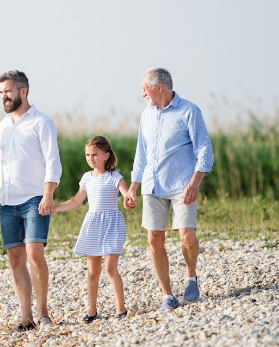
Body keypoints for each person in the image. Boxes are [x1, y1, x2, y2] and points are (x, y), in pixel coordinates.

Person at [125, 68, 214, 311]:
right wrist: (133, 187)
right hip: (152, 186)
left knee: (186, 235)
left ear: (159, 87)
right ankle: (168, 295)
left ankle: (191, 275)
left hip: (182, 185)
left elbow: (204, 150)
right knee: (154, 240)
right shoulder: (146, 115)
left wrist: (195, 182)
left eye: (145, 88)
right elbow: (140, 154)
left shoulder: (189, 111)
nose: (142, 93)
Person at [0, 70, 61, 331]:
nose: (4, 97)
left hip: (35, 197)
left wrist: (48, 193)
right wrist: (1, 197)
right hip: (9, 200)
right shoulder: (3, 125)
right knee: (14, 258)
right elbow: (3, 164)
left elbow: (52, 161)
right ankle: (26, 317)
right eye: (1, 93)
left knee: (34, 254)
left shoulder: (42, 122)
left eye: (8, 92)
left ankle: (43, 313)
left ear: (23, 92)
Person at [54, 136, 134, 322]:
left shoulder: (115, 177)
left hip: (112, 223)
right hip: (93, 225)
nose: (91, 158)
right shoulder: (86, 178)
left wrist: (129, 199)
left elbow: (126, 193)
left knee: (110, 267)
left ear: (106, 156)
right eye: (88, 155)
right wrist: (55, 208)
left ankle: (121, 309)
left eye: (95, 155)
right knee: (92, 271)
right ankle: (92, 311)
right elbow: (76, 201)